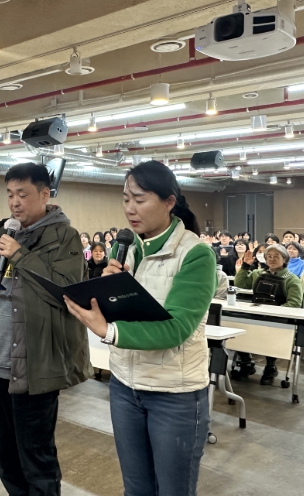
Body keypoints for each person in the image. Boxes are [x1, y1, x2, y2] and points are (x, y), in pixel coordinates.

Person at [64, 160, 215, 496]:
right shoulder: (128, 247)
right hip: (125, 386)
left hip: (174, 395)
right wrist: (105, 291)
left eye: (140, 199)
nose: (130, 208)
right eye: (125, 198)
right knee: (135, 488)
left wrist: (109, 331)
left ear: (169, 202)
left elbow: (177, 328)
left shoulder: (195, 254)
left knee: (173, 490)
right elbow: (125, 311)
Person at [0, 162, 91, 495]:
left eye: (22, 194)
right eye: (9, 194)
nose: (14, 202)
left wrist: (21, 255)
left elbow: (66, 292)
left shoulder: (64, 236)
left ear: (44, 195)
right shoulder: (3, 233)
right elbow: (1, 292)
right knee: (6, 457)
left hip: (37, 363)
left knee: (36, 458)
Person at [233, 244, 303, 384]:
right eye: (269, 256)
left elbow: (294, 304)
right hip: (256, 314)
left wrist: (272, 312)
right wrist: (245, 266)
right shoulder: (257, 274)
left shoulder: (292, 279)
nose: (272, 259)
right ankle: (246, 362)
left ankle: (270, 366)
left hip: (278, 319)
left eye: (276, 256)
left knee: (271, 331)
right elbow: (240, 283)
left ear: (285, 259)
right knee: (237, 325)